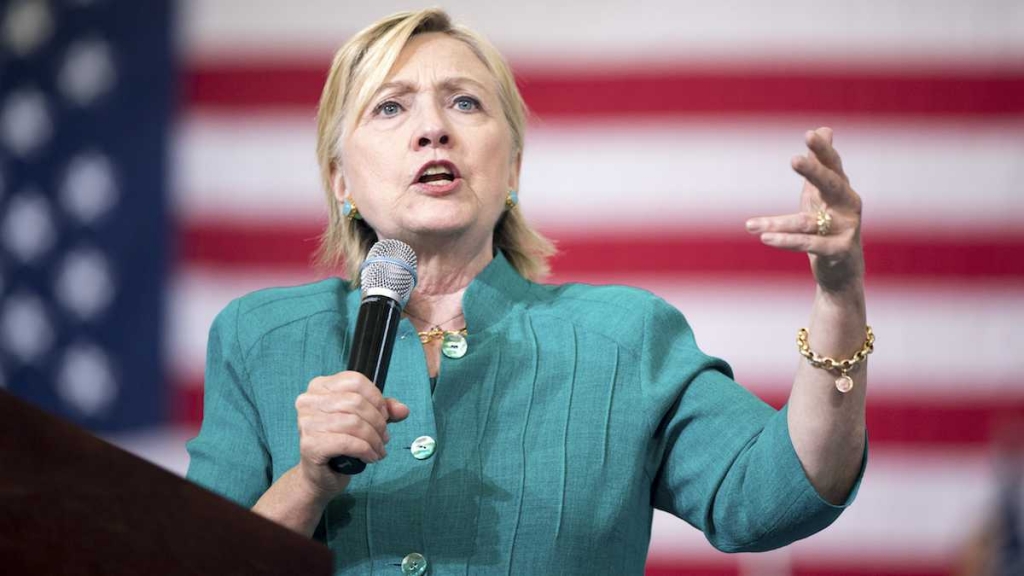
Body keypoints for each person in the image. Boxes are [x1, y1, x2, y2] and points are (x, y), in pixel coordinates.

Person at [186, 8, 870, 575]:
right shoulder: (259, 337)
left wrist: (840, 301)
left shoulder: (624, 337)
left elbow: (779, 493)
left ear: (511, 165)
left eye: (465, 102)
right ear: (341, 180)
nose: (433, 128)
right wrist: (307, 483)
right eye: (390, 106)